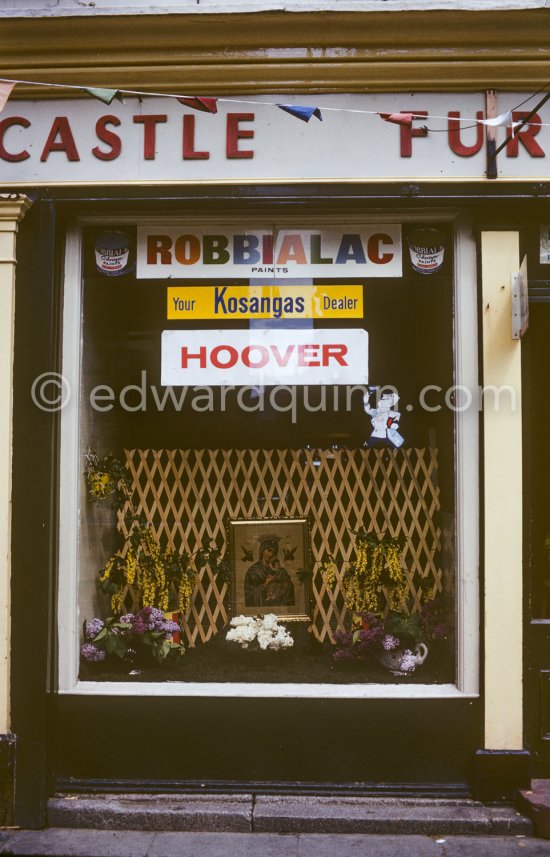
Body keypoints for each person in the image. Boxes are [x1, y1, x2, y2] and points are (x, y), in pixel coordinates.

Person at [244, 536, 295, 607]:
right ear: (262, 551)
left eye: (274, 552)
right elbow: (249, 595)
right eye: (269, 550)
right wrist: (265, 584)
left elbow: (289, 588)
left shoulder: (280, 571)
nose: (272, 554)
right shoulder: (253, 571)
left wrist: (284, 584)